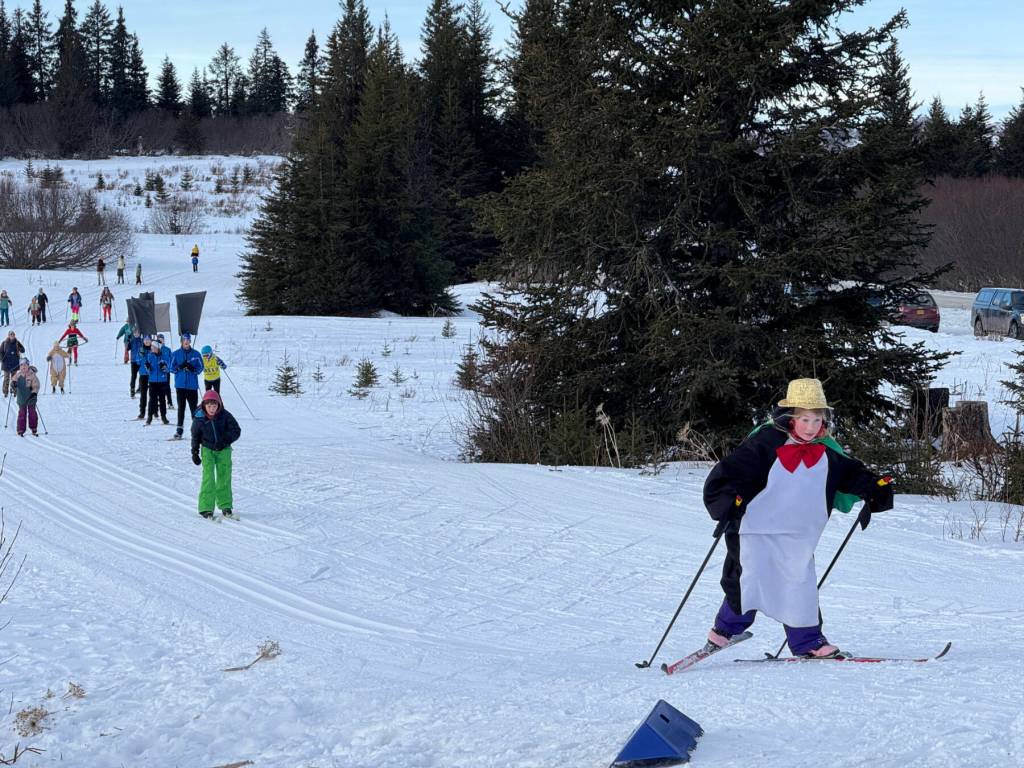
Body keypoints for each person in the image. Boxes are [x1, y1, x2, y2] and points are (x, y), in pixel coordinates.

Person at [701, 378, 894, 659]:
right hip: (754, 528)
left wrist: (875, 488)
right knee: (749, 579)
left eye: (817, 420)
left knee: (799, 582)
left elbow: (851, 473)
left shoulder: (826, 448)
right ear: (791, 416)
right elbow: (731, 471)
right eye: (805, 419)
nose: (811, 427)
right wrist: (727, 501)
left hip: (796, 533)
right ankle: (723, 631)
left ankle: (808, 642)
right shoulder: (766, 441)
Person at [191, 389, 240, 519]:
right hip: (207, 450)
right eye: (209, 406)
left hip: (224, 450)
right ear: (204, 405)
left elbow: (236, 430)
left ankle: (225, 505)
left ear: (219, 405)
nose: (212, 409)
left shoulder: (225, 415)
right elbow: (195, 436)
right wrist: (195, 452)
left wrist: (224, 441)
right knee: (209, 477)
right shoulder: (199, 418)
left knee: (224, 476)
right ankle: (206, 507)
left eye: (214, 405)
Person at [171, 333, 203, 440]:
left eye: (188, 340)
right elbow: (171, 369)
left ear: (190, 341)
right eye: (185, 340)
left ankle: (197, 431)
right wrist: (180, 366)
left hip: (192, 386)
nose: (186, 342)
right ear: (181, 341)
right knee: (181, 408)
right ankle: (179, 431)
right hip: (180, 386)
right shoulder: (175, 354)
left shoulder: (196, 354)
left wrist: (192, 368)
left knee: (194, 409)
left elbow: (200, 368)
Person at [144, 336, 172, 425]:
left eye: (153, 347)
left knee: (162, 400)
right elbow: (148, 371)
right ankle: (149, 417)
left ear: (157, 348)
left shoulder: (164, 356)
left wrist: (164, 368)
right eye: (151, 347)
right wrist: (148, 367)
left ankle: (164, 417)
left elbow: (168, 369)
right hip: (152, 382)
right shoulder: (150, 356)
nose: (151, 348)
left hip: (162, 381)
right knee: (152, 400)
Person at [12, 359, 40, 436]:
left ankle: (33, 427)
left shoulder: (32, 375)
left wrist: (34, 393)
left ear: (28, 366)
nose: (23, 367)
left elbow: (36, 385)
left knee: (32, 413)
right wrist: (13, 384)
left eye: (25, 365)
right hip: (21, 397)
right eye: (21, 365)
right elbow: (13, 381)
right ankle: (21, 429)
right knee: (22, 413)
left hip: (31, 397)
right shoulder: (18, 375)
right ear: (20, 367)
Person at [1, 330, 25, 396]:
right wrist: (1, 359)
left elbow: (23, 350)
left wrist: (20, 348)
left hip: (14, 364)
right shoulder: (4, 343)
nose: (12, 336)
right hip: (6, 364)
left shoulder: (17, 343)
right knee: (6, 379)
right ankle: (5, 392)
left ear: (14, 335)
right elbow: (1, 352)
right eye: (11, 334)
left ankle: (14, 391)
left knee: (14, 379)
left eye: (13, 334)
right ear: (8, 336)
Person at [135, 335, 152, 417]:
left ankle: (153, 411)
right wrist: (140, 355)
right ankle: (142, 412)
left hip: (152, 375)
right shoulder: (141, 349)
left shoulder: (153, 349)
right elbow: (137, 362)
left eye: (148, 340)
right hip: (143, 375)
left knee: (153, 394)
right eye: (145, 340)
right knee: (143, 394)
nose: (147, 341)